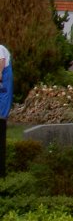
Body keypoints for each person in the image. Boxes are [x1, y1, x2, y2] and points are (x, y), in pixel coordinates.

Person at [0, 44, 11, 178]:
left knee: (4, 95)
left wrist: (0, 74)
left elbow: (1, 60)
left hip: (5, 72)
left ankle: (2, 117)